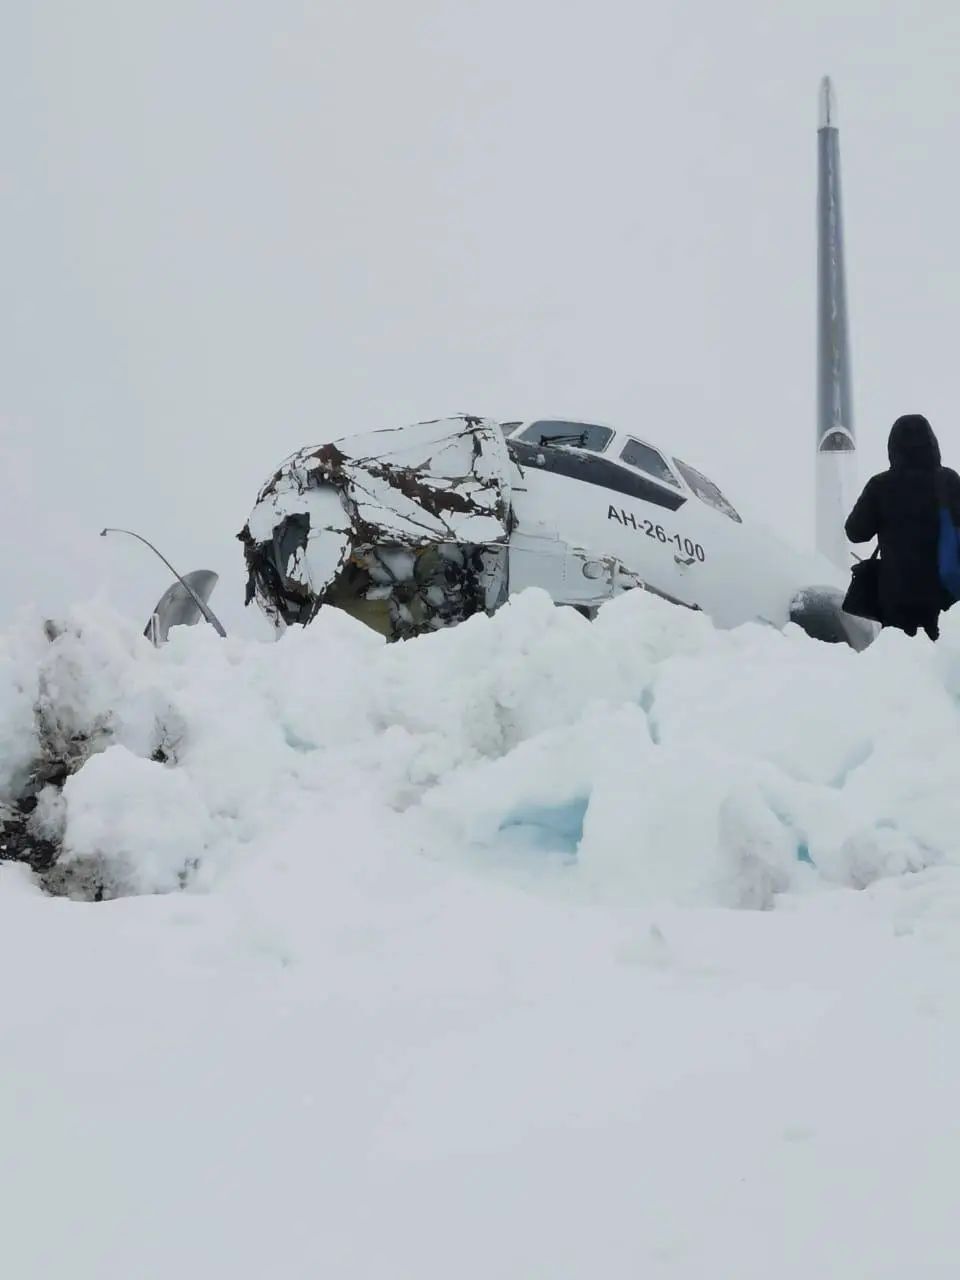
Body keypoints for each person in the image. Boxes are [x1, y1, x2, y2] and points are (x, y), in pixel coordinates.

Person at [845, 414, 960, 640]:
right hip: (944, 592)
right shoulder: (949, 481)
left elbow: (856, 532)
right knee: (944, 659)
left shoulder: (880, 485)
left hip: (895, 594)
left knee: (901, 662)